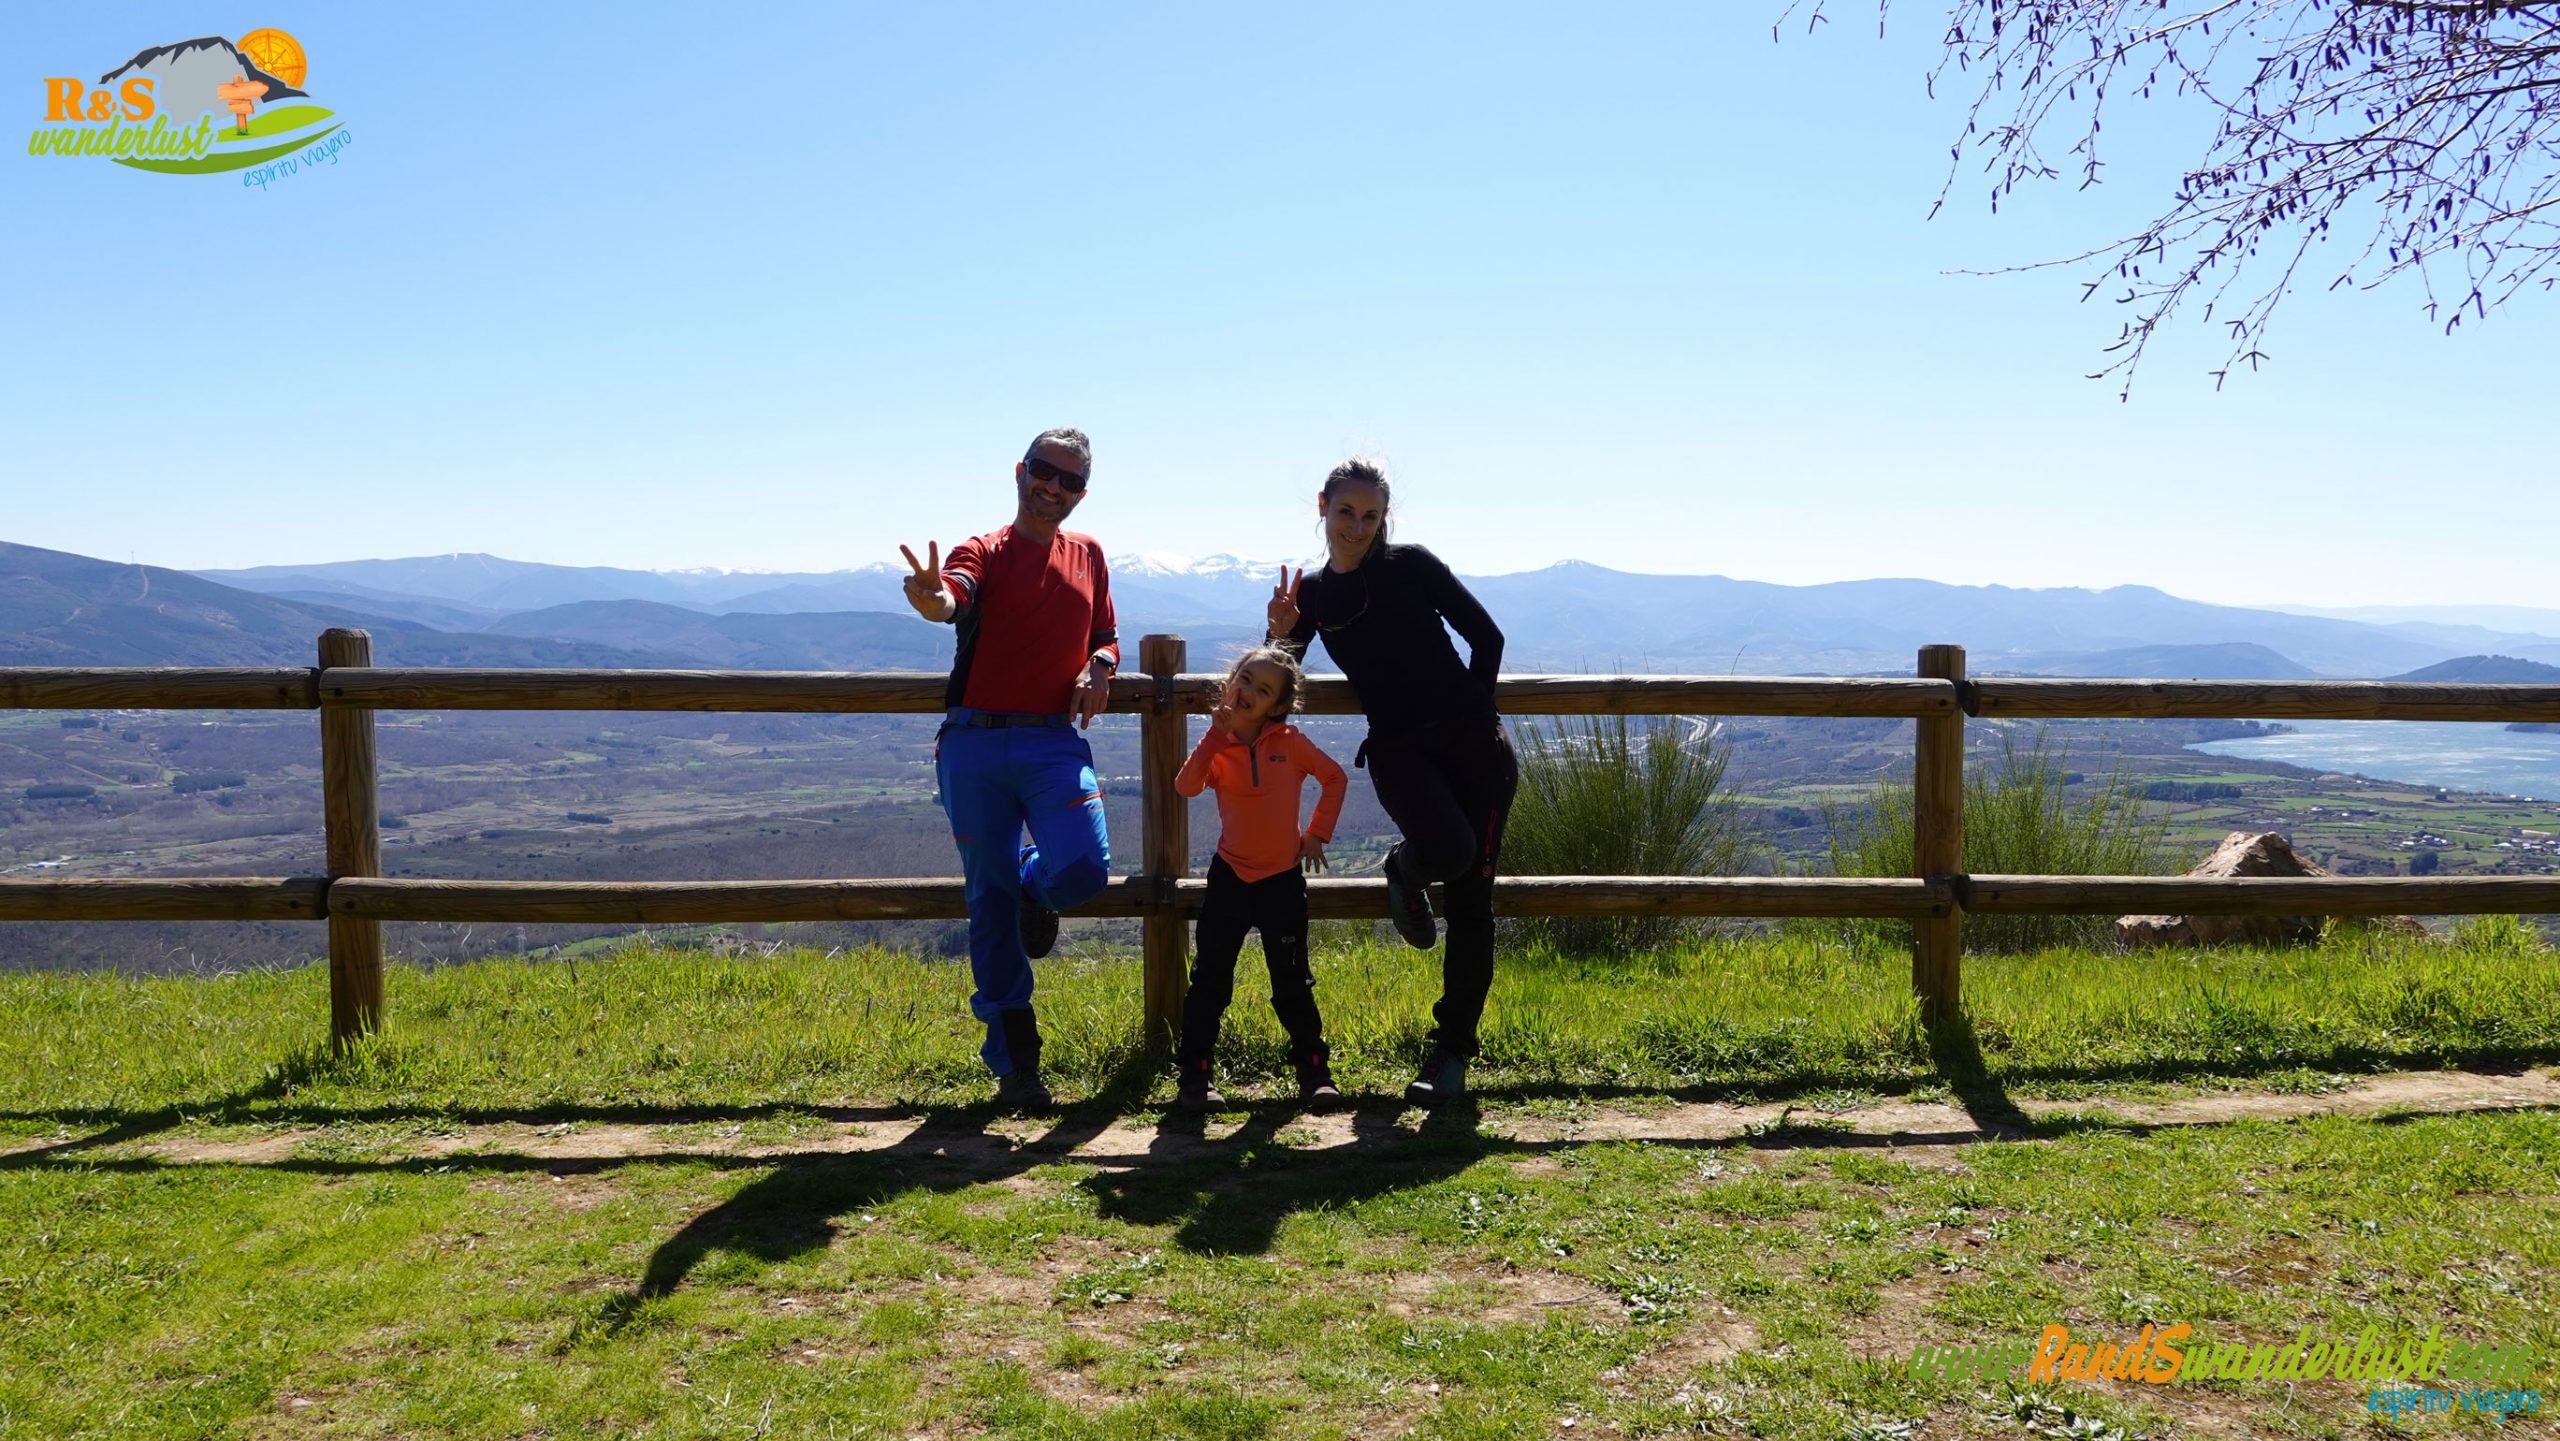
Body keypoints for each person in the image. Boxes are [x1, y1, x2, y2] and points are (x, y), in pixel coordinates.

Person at [1269, 458, 1515, 1109]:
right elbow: (1278, 680)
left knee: (1472, 906)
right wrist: (1278, 631)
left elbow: (1486, 638)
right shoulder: (1313, 595)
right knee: (1449, 849)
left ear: (1384, 518)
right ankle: (1404, 868)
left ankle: (1451, 1052)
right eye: (1346, 512)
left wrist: (1476, 713)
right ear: (1322, 507)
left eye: (1370, 516)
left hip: (1477, 749)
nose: (1357, 527)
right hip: (1399, 751)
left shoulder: (1411, 565)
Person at [897, 428, 1117, 1111]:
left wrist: (1100, 665)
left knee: (1084, 870)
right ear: (1020, 471)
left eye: (1070, 480)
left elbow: (1104, 635)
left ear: (1082, 493)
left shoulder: (1089, 554)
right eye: (1045, 471)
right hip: (975, 742)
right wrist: (930, 598)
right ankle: (1017, 1062)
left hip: (1053, 741)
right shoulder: (983, 549)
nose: (1053, 487)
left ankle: (1034, 881)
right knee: (987, 903)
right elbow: (952, 598)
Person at [1170, 644, 1348, 1112]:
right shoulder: (1217, 745)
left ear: (1278, 705)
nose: (1249, 691)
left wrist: (1317, 834)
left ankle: (1314, 1070)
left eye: (1263, 690)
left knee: (1292, 982)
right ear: (1229, 682)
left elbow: (1334, 778)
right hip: (1230, 877)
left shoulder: (1290, 743)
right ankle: (1195, 1075)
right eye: (1245, 679)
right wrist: (1215, 734)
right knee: (1210, 982)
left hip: (1282, 882)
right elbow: (1185, 786)